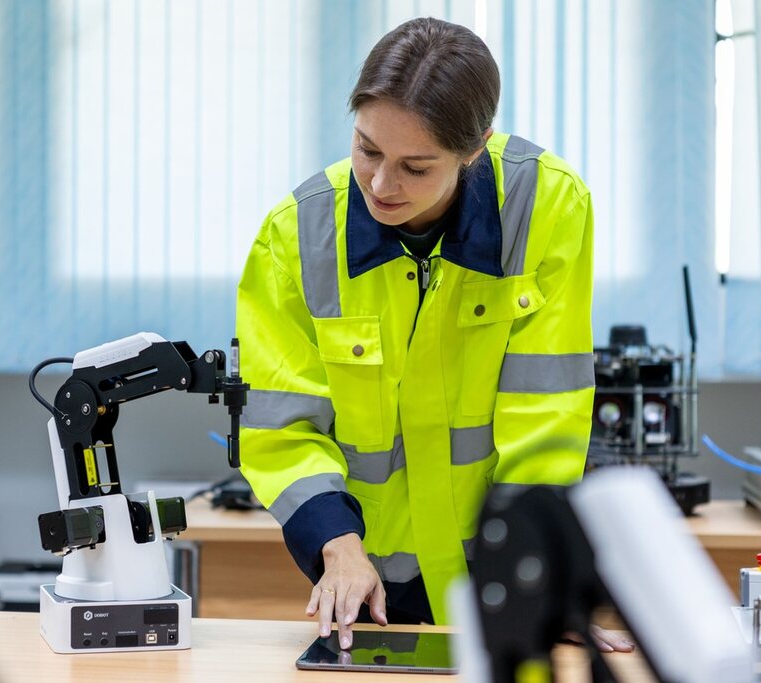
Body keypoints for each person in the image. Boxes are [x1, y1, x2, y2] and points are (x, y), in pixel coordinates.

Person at [236, 17, 631, 653]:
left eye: (416, 167)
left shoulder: (548, 206)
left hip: (493, 564)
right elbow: (282, 431)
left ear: (475, 150)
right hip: (364, 574)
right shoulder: (296, 236)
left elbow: (546, 419)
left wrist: (536, 576)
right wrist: (337, 547)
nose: (382, 186)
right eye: (367, 150)